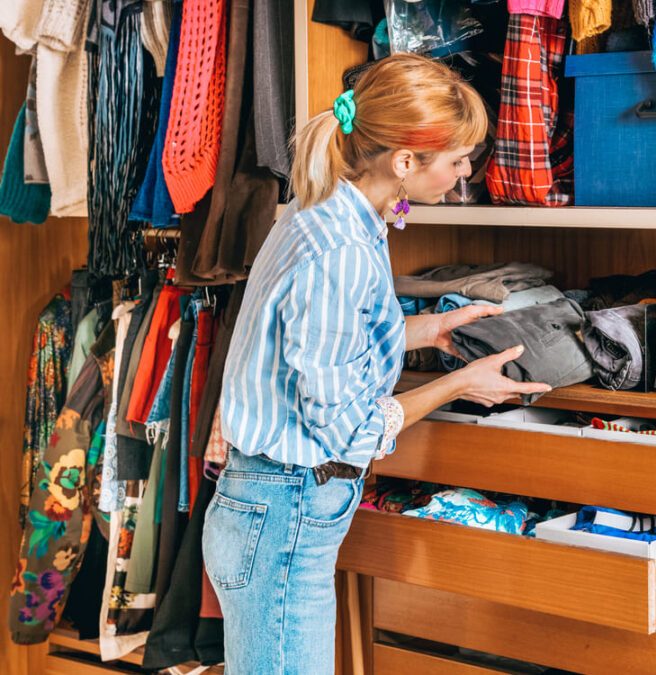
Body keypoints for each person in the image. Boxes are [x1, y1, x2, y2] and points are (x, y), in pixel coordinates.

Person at [203, 53, 551, 674]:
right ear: (405, 162)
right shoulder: (341, 251)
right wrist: (455, 386)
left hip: (275, 507)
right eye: (456, 159)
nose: (465, 172)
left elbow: (325, 343)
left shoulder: (331, 215)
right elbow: (348, 429)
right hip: (283, 512)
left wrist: (427, 329)